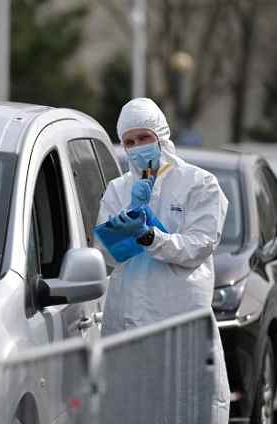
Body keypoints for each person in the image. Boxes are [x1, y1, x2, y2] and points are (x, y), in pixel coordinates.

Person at [95, 98, 230, 423]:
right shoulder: (117, 190)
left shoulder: (199, 184)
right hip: (127, 323)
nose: (137, 148)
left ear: (161, 136)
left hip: (180, 322)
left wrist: (151, 237)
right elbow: (103, 255)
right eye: (129, 142)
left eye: (144, 138)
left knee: (184, 406)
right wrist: (123, 229)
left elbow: (199, 246)